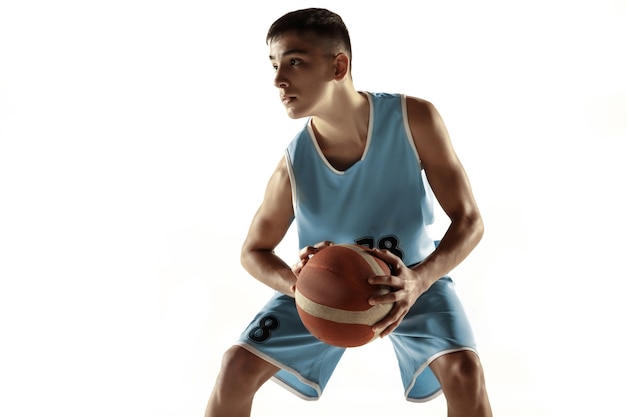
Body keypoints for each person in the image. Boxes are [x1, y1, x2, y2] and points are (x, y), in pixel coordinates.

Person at [205, 7, 492, 417]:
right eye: (273, 65)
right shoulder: (293, 165)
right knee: (235, 366)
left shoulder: (414, 119)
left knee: (464, 372)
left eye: (295, 61)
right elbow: (253, 250)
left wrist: (419, 279)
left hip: (410, 279)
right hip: (326, 286)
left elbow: (470, 220)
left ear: (338, 65)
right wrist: (298, 285)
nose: (278, 79)